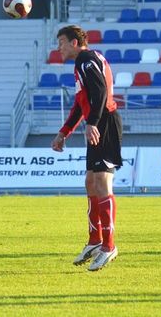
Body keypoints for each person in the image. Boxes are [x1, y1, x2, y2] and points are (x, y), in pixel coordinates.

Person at [51, 25, 122, 272]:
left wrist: (93, 123)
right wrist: (64, 132)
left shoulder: (86, 59)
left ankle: (109, 246)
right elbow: (81, 104)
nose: (58, 47)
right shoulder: (82, 63)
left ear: (74, 42)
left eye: (61, 42)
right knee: (91, 182)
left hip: (105, 123)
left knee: (102, 181)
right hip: (98, 122)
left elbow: (100, 91)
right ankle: (95, 240)